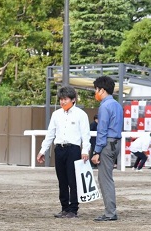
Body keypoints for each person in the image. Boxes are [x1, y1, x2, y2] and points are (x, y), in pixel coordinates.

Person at [37, 86, 91, 219]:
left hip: (73, 149)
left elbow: (86, 135)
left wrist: (85, 150)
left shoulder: (81, 114)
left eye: (65, 99)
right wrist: (43, 150)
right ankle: (64, 208)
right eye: (61, 99)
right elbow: (50, 134)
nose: (62, 102)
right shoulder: (56, 114)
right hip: (59, 149)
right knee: (62, 180)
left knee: (73, 180)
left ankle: (73, 209)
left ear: (73, 100)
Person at [91, 76, 123, 222]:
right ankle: (110, 211)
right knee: (107, 178)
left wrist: (96, 151)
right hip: (116, 143)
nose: (95, 93)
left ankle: (110, 212)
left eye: (96, 90)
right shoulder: (117, 104)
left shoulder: (104, 106)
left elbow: (102, 130)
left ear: (102, 90)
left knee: (105, 179)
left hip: (107, 144)